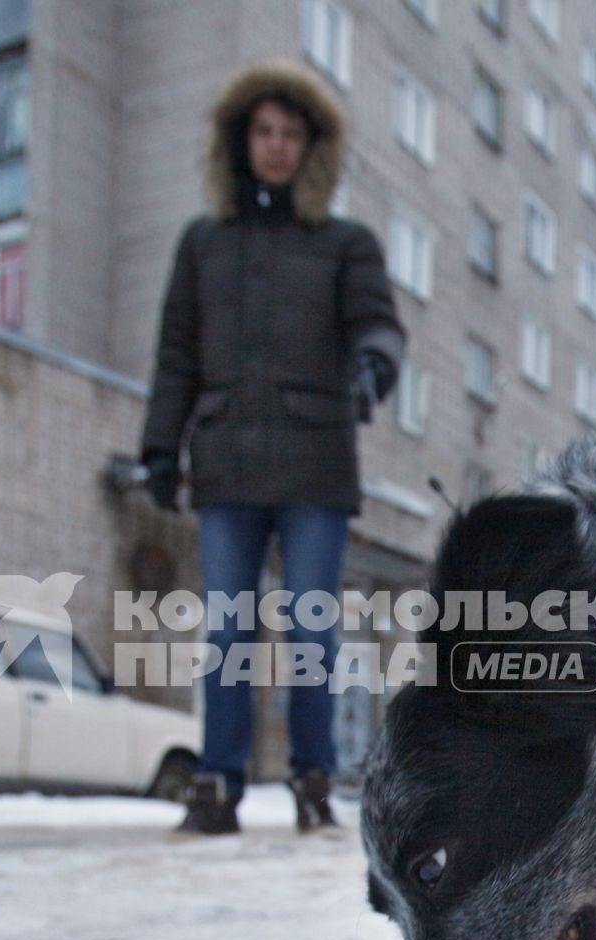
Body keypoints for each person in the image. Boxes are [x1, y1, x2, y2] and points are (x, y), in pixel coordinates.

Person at [138, 59, 406, 836]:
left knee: (310, 627)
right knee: (227, 628)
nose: (277, 146)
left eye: (291, 132)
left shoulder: (344, 243)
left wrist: (373, 368)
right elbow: (176, 354)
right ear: (240, 140)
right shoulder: (204, 244)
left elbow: (378, 324)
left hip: (316, 464)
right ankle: (217, 784)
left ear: (311, 146)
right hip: (225, 461)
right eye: (264, 131)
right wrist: (161, 448)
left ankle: (313, 782)